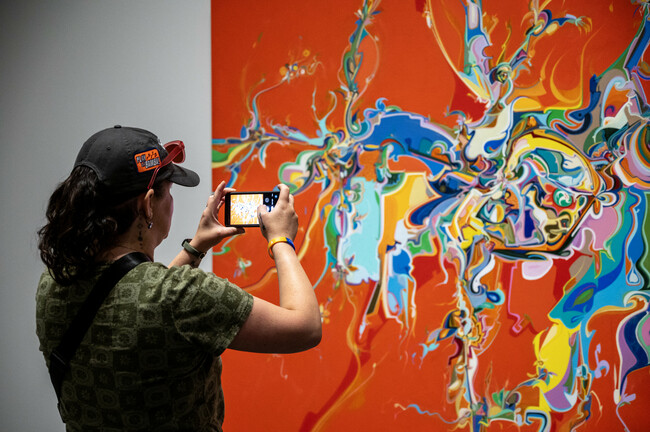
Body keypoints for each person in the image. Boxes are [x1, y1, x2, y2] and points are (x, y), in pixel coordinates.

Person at [36, 125, 321, 431]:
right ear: (147, 204)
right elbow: (304, 327)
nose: (171, 202)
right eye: (169, 192)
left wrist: (196, 248)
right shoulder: (181, 296)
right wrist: (281, 241)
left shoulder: (52, 284)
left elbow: (141, 307)